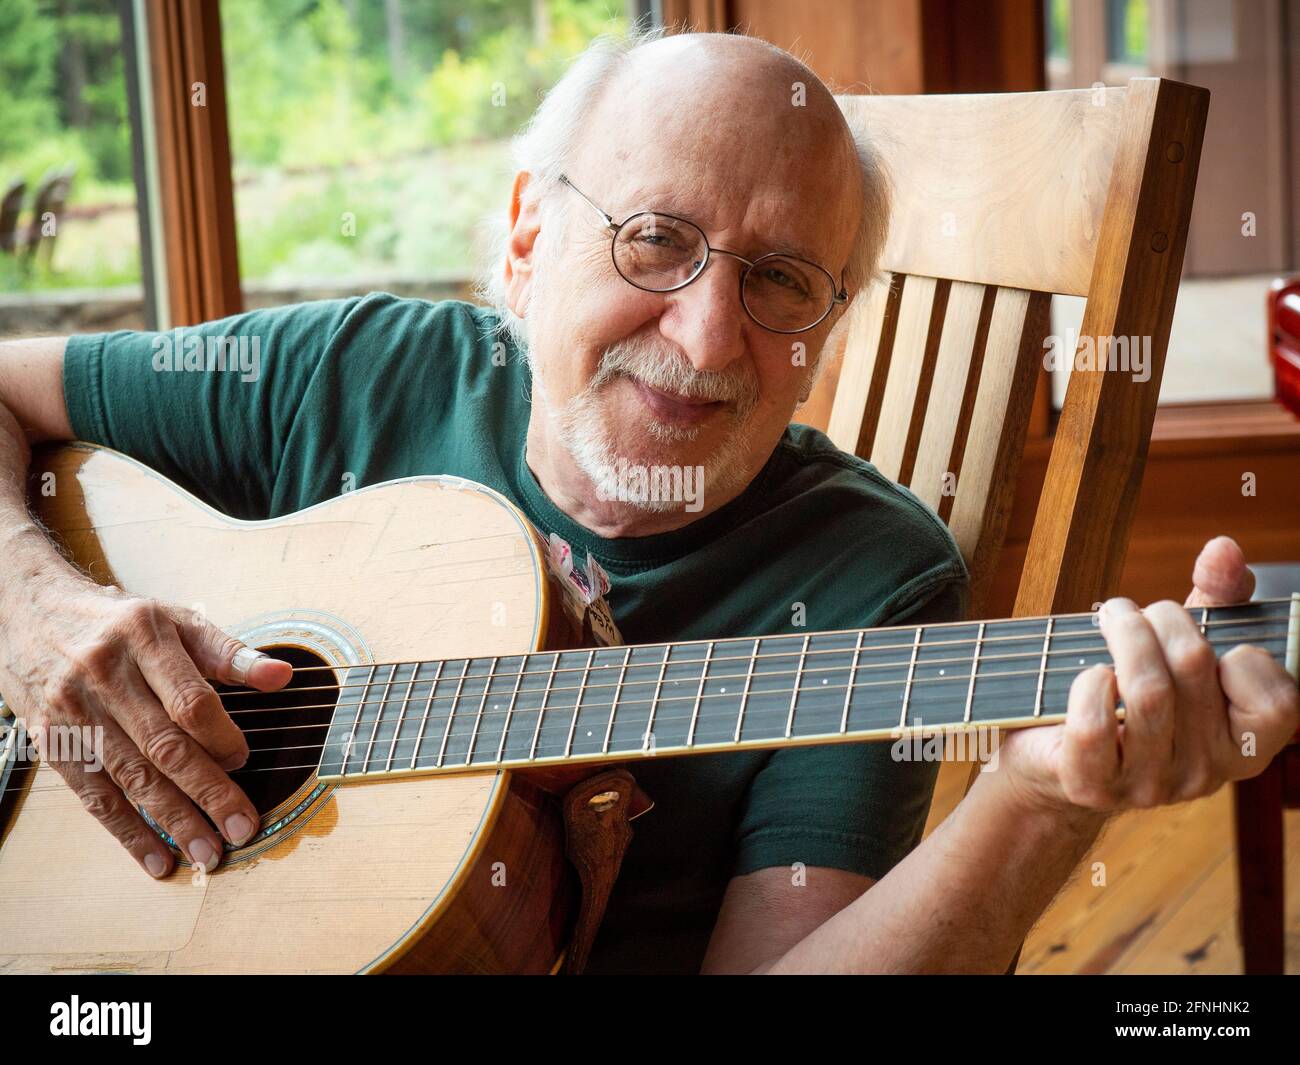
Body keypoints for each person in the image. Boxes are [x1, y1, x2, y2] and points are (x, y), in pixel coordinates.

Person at [0, 29, 1294, 975]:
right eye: (656, 239)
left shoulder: (861, 590)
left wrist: (1039, 800)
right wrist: (41, 614)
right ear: (523, 239)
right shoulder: (350, 376)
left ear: (830, 334)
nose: (709, 334)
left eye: (784, 278)